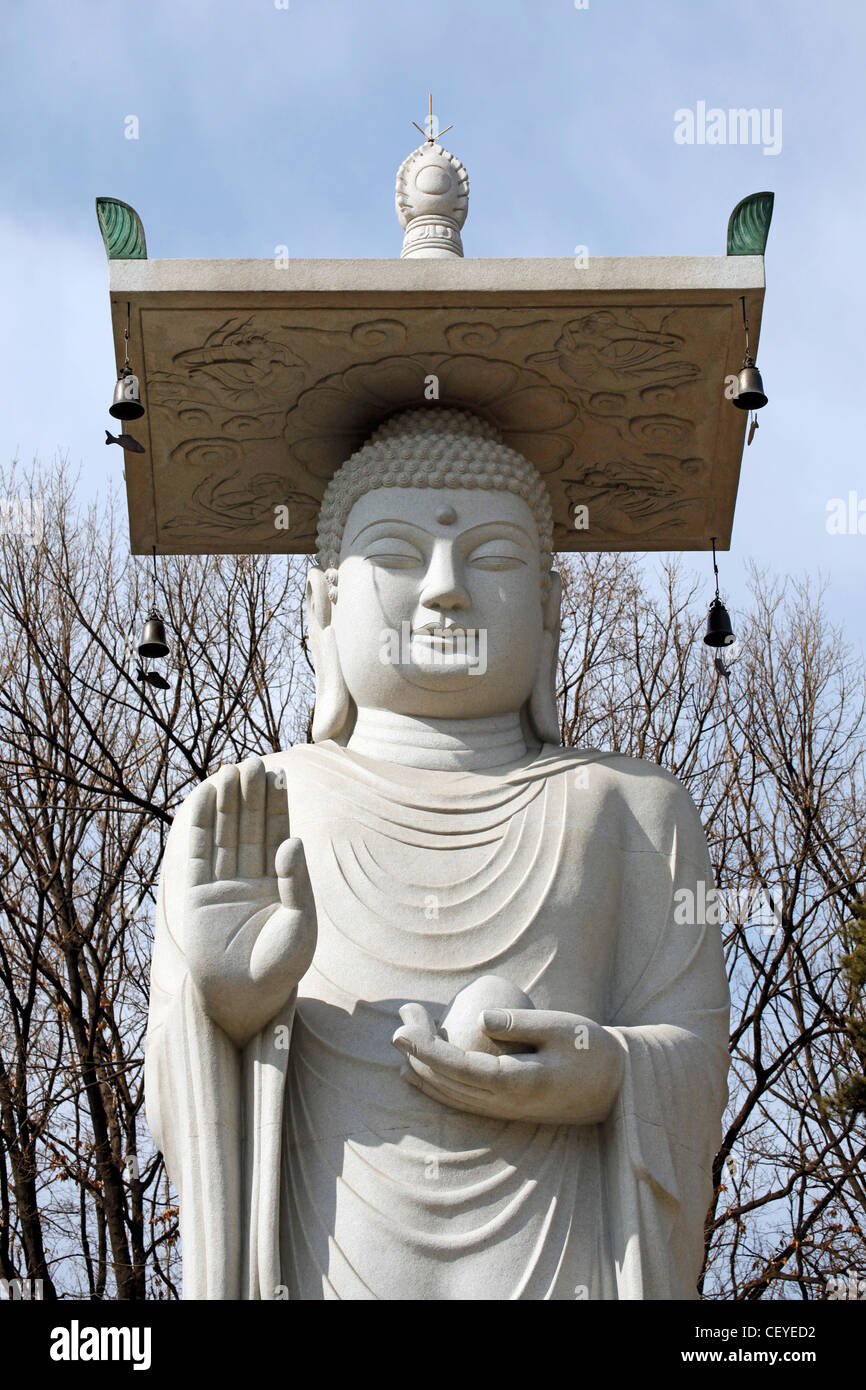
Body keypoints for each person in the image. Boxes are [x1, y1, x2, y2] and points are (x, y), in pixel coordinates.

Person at [146, 408, 729, 1300]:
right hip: (322, 1257)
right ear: (323, 606)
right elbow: (179, 1104)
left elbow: (693, 1054)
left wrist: (604, 1071)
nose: (445, 590)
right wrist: (223, 1011)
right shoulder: (258, 806)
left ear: (549, 605)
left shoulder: (633, 807)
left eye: (492, 558)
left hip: (564, 1253)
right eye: (397, 554)